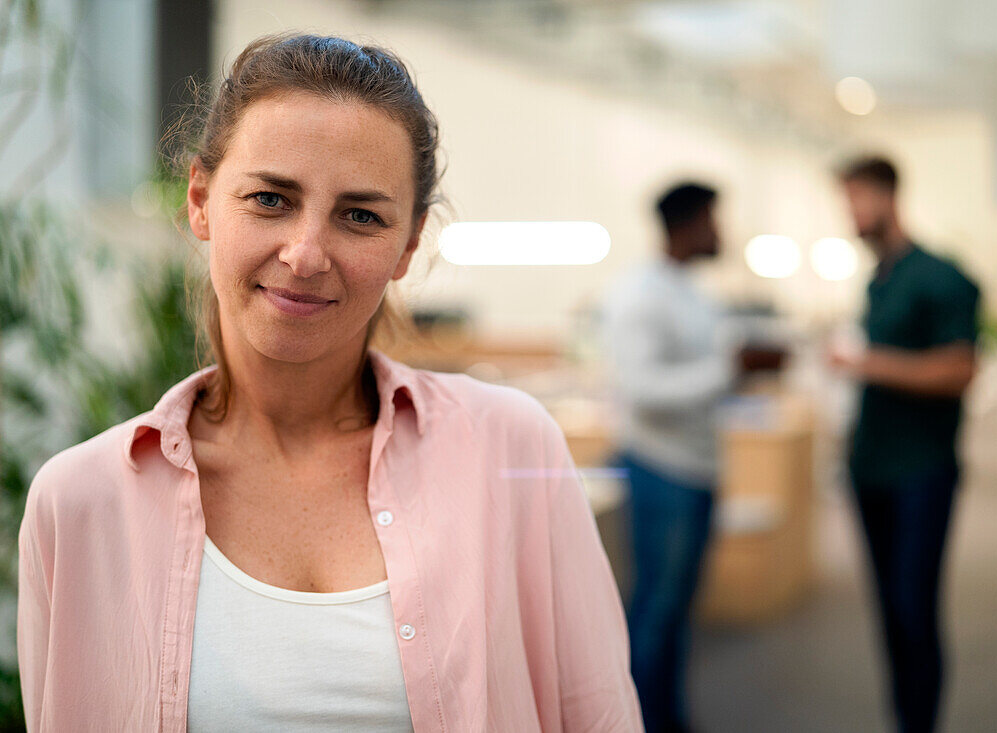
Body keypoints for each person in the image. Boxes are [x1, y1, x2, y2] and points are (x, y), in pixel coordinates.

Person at [17, 34, 643, 732]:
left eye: (360, 215)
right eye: (270, 198)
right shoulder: (83, 501)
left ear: (407, 247)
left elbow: (600, 715)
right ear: (200, 200)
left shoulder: (508, 447)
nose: (306, 253)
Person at [830, 156, 981, 733]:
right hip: (871, 470)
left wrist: (866, 363)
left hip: (920, 472)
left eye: (855, 200)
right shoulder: (879, 278)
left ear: (886, 196)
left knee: (915, 611)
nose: (849, 214)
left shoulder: (941, 277)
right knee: (891, 616)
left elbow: (958, 368)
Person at [601, 182, 742, 733]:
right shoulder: (640, 293)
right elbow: (641, 391)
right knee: (656, 614)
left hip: (699, 469)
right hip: (663, 471)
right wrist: (729, 372)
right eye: (713, 219)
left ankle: (668, 718)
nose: (720, 233)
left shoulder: (691, 290)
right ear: (689, 223)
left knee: (678, 614)